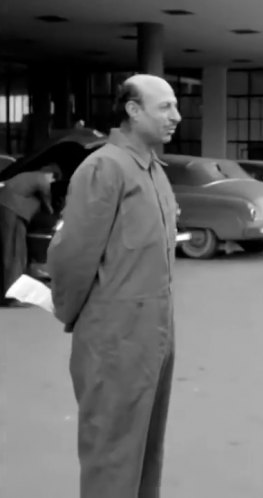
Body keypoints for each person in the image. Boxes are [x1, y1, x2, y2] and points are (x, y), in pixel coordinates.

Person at [47, 74, 181, 498]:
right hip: (115, 337)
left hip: (155, 334)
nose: (176, 116)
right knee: (112, 456)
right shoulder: (104, 167)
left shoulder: (154, 170)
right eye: (165, 107)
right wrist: (72, 313)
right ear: (132, 110)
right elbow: (72, 256)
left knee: (145, 451)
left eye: (176, 106)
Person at [0, 167, 55, 306]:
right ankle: (14, 295)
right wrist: (51, 210)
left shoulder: (27, 176)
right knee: (16, 253)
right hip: (14, 209)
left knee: (9, 251)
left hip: (8, 207)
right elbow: (48, 200)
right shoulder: (41, 179)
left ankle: (10, 293)